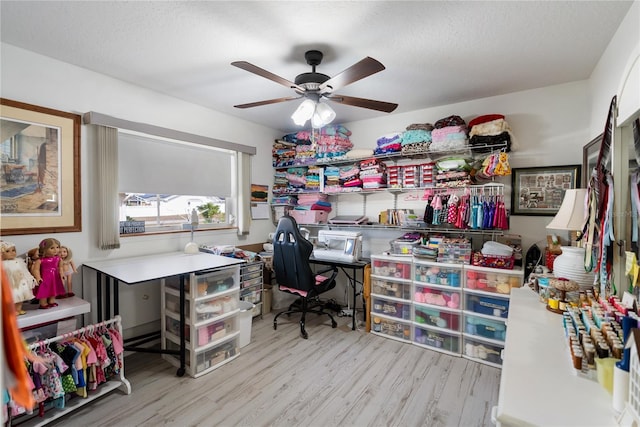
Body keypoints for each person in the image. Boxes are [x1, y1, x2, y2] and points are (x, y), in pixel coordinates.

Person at [0, 241, 36, 315]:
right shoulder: (2, 264)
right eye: (7, 251)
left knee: (21, 297)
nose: (12, 253)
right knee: (12, 297)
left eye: (13, 250)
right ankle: (11, 311)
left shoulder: (19, 261)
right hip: (10, 284)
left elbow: (25, 271)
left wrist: (30, 279)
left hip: (20, 283)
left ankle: (18, 309)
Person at [31, 238, 65, 309]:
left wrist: (62, 274)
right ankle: (43, 303)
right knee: (44, 290)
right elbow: (36, 270)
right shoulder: (40, 260)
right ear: (44, 249)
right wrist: (38, 277)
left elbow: (60, 267)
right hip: (45, 277)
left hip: (55, 276)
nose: (56, 250)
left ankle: (51, 301)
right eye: (52, 248)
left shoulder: (58, 259)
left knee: (54, 288)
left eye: (57, 247)